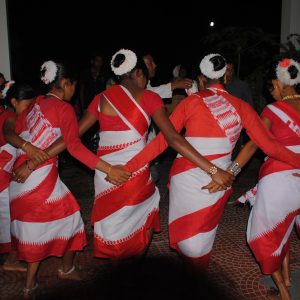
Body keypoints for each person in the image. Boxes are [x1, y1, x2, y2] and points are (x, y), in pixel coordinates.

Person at [13, 50, 234, 263]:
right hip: (133, 173)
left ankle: (117, 279)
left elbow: (70, 141)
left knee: (113, 229)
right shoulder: (149, 97)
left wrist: (33, 163)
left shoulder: (101, 98)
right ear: (138, 73)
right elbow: (173, 139)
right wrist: (212, 169)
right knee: (147, 214)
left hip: (104, 173)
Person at [125, 53, 300, 271]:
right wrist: (232, 171)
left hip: (186, 177)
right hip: (220, 179)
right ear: (225, 78)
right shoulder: (242, 107)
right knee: (201, 243)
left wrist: (128, 167)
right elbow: (270, 146)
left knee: (188, 242)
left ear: (201, 79)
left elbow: (162, 142)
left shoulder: (190, 102)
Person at [3, 60, 130, 298]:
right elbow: (73, 147)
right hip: (39, 179)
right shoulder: (64, 109)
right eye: (73, 86)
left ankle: (35, 283)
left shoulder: (36, 103)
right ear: (65, 83)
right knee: (69, 223)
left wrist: (29, 155)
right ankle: (55, 274)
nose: (74, 92)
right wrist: (107, 169)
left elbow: (19, 132)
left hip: (19, 177)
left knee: (50, 225)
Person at [231, 57, 300, 300]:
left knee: (261, 235)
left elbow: (253, 145)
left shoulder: (272, 110)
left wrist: (230, 172)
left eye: (271, 87)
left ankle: (283, 292)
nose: (271, 92)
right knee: (287, 226)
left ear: (279, 83)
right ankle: (289, 277)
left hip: (279, 182)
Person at [0, 83, 38, 272]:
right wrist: (27, 146)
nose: (30, 108)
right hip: (2, 175)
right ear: (14, 102)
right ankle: (10, 259)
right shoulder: (10, 115)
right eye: (27, 104)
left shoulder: (13, 113)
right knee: (9, 216)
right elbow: (7, 134)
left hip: (4, 171)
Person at [224, 60, 254, 160]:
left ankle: (231, 174)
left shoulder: (241, 86)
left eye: (232, 70)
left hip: (236, 130)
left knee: (234, 159)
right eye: (227, 70)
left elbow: (250, 107)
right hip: (218, 130)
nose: (230, 72)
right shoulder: (217, 86)